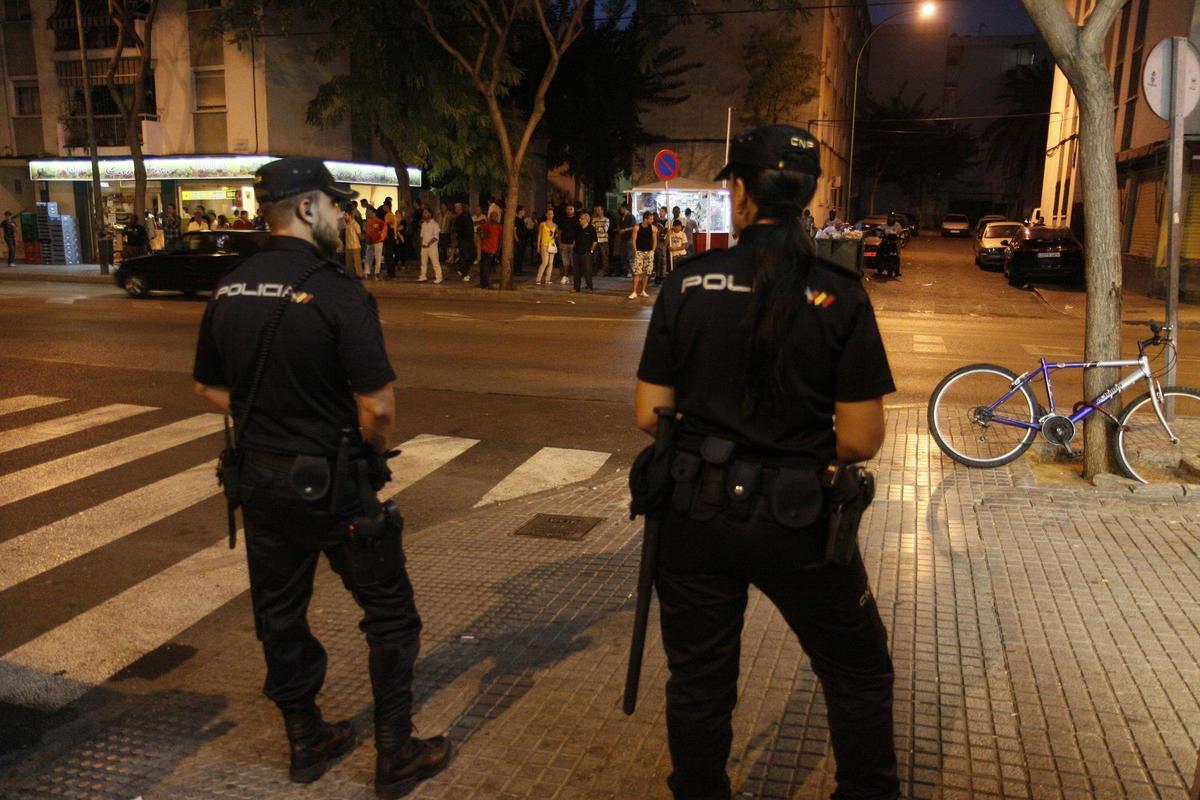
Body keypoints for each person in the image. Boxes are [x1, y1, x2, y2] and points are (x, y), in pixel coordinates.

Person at [632, 125, 898, 800]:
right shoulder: (839, 294)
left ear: (741, 194)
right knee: (857, 669)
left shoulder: (689, 285)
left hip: (694, 511)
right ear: (807, 195)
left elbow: (647, 415)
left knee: (699, 680)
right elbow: (861, 438)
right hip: (797, 517)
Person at [192, 157, 451, 798]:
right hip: (333, 481)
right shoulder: (336, 290)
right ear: (307, 209)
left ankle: (306, 739)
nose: (343, 216)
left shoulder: (230, 287)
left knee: (279, 615)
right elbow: (378, 407)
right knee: (390, 614)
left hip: (259, 481)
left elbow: (208, 385)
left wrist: (270, 413)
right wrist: (366, 449)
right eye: (335, 205)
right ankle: (396, 753)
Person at [630, 211, 656, 300]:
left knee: (646, 272)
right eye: (651, 219)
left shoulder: (653, 228)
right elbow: (633, 240)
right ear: (645, 219)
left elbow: (655, 240)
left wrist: (653, 251)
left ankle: (643, 291)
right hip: (639, 252)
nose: (652, 220)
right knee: (637, 272)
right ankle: (634, 291)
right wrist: (636, 250)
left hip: (649, 252)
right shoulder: (637, 227)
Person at [573, 211, 598, 293]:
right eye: (580, 218)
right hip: (577, 252)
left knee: (587, 271)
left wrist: (591, 250)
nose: (579, 220)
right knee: (576, 271)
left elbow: (595, 241)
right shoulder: (577, 228)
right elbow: (575, 240)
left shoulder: (591, 228)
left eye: (582, 218)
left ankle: (589, 287)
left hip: (586, 253)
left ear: (586, 220)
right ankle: (576, 288)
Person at [417, 207, 443, 283]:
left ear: (430, 214)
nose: (424, 214)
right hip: (424, 247)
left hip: (432, 247)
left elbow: (435, 237)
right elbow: (422, 235)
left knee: (435, 263)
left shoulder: (435, 224)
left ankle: (439, 277)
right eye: (423, 213)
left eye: (425, 213)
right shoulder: (423, 225)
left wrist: (428, 244)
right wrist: (422, 244)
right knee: (423, 263)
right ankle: (423, 276)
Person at [479, 209, 502, 289]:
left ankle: (484, 282)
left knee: (488, 267)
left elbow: (500, 238)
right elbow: (480, 230)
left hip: (494, 249)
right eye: (494, 216)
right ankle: (484, 283)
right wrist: (483, 236)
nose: (495, 218)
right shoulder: (488, 224)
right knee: (485, 267)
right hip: (486, 248)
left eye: (496, 216)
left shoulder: (499, 226)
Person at [535, 208, 559, 286]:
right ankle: (538, 279)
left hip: (551, 245)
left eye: (551, 214)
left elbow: (556, 235)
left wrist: (556, 235)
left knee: (550, 263)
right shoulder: (542, 224)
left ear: (553, 215)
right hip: (544, 244)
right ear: (546, 215)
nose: (550, 215)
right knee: (545, 262)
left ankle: (547, 279)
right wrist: (538, 245)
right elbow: (539, 235)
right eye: (548, 214)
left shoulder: (555, 225)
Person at [557, 203, 580, 285]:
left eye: (571, 209)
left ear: (574, 210)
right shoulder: (563, 219)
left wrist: (576, 241)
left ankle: (575, 278)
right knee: (565, 261)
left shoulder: (577, 220)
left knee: (573, 261)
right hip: (564, 243)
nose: (569, 210)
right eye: (568, 209)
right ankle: (565, 276)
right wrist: (559, 242)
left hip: (573, 243)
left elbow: (578, 232)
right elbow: (559, 231)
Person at [453, 202, 475, 281]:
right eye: (456, 208)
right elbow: (455, 230)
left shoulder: (467, 215)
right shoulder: (457, 218)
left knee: (473, 255)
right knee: (463, 256)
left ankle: (460, 268)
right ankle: (464, 274)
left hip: (470, 239)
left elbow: (471, 226)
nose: (457, 209)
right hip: (462, 240)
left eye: (458, 207)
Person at [364, 208, 387, 280]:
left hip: (378, 241)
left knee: (378, 258)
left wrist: (381, 236)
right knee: (368, 257)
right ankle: (367, 272)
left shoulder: (379, 221)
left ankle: (377, 273)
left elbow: (384, 229)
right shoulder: (368, 222)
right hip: (370, 242)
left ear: (374, 213)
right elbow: (367, 231)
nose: (369, 214)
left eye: (370, 212)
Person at [342, 205, 363, 278]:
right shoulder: (347, 225)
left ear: (350, 215)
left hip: (355, 246)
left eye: (345, 215)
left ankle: (359, 275)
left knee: (357, 263)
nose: (344, 217)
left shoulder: (355, 224)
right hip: (348, 247)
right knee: (348, 263)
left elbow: (359, 235)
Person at [616, 203, 636, 278]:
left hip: (629, 239)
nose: (620, 210)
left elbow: (634, 226)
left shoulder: (631, 216)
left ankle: (632, 271)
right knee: (623, 256)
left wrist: (624, 230)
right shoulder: (622, 217)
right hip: (623, 239)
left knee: (630, 256)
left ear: (625, 208)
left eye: (621, 208)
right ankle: (627, 271)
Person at [592, 204, 610, 276]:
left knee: (604, 257)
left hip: (604, 241)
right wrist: (599, 228)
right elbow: (592, 230)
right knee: (594, 257)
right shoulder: (594, 219)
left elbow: (605, 229)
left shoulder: (606, 219)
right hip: (595, 241)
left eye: (599, 210)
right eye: (596, 210)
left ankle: (605, 272)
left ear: (602, 211)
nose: (598, 212)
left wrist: (597, 228)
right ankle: (594, 272)